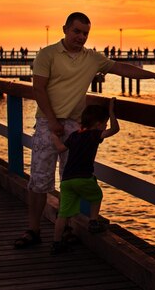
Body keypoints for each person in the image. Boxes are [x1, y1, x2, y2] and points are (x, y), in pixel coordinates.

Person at [14, 11, 155, 249]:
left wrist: (154, 75)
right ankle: (34, 230)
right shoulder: (47, 54)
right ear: (65, 29)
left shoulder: (92, 58)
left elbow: (121, 68)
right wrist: (52, 121)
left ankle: (67, 228)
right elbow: (38, 89)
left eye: (85, 33)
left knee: (72, 179)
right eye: (77, 31)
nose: (81, 37)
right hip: (48, 123)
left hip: (75, 125)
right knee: (39, 181)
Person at [49, 98, 119, 254]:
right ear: (98, 124)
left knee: (63, 213)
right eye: (105, 123)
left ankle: (56, 242)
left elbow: (60, 148)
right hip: (83, 177)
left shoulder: (74, 135)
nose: (106, 125)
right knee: (96, 195)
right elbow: (115, 130)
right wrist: (112, 112)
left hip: (67, 180)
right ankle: (93, 221)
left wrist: (54, 137)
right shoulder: (95, 135)